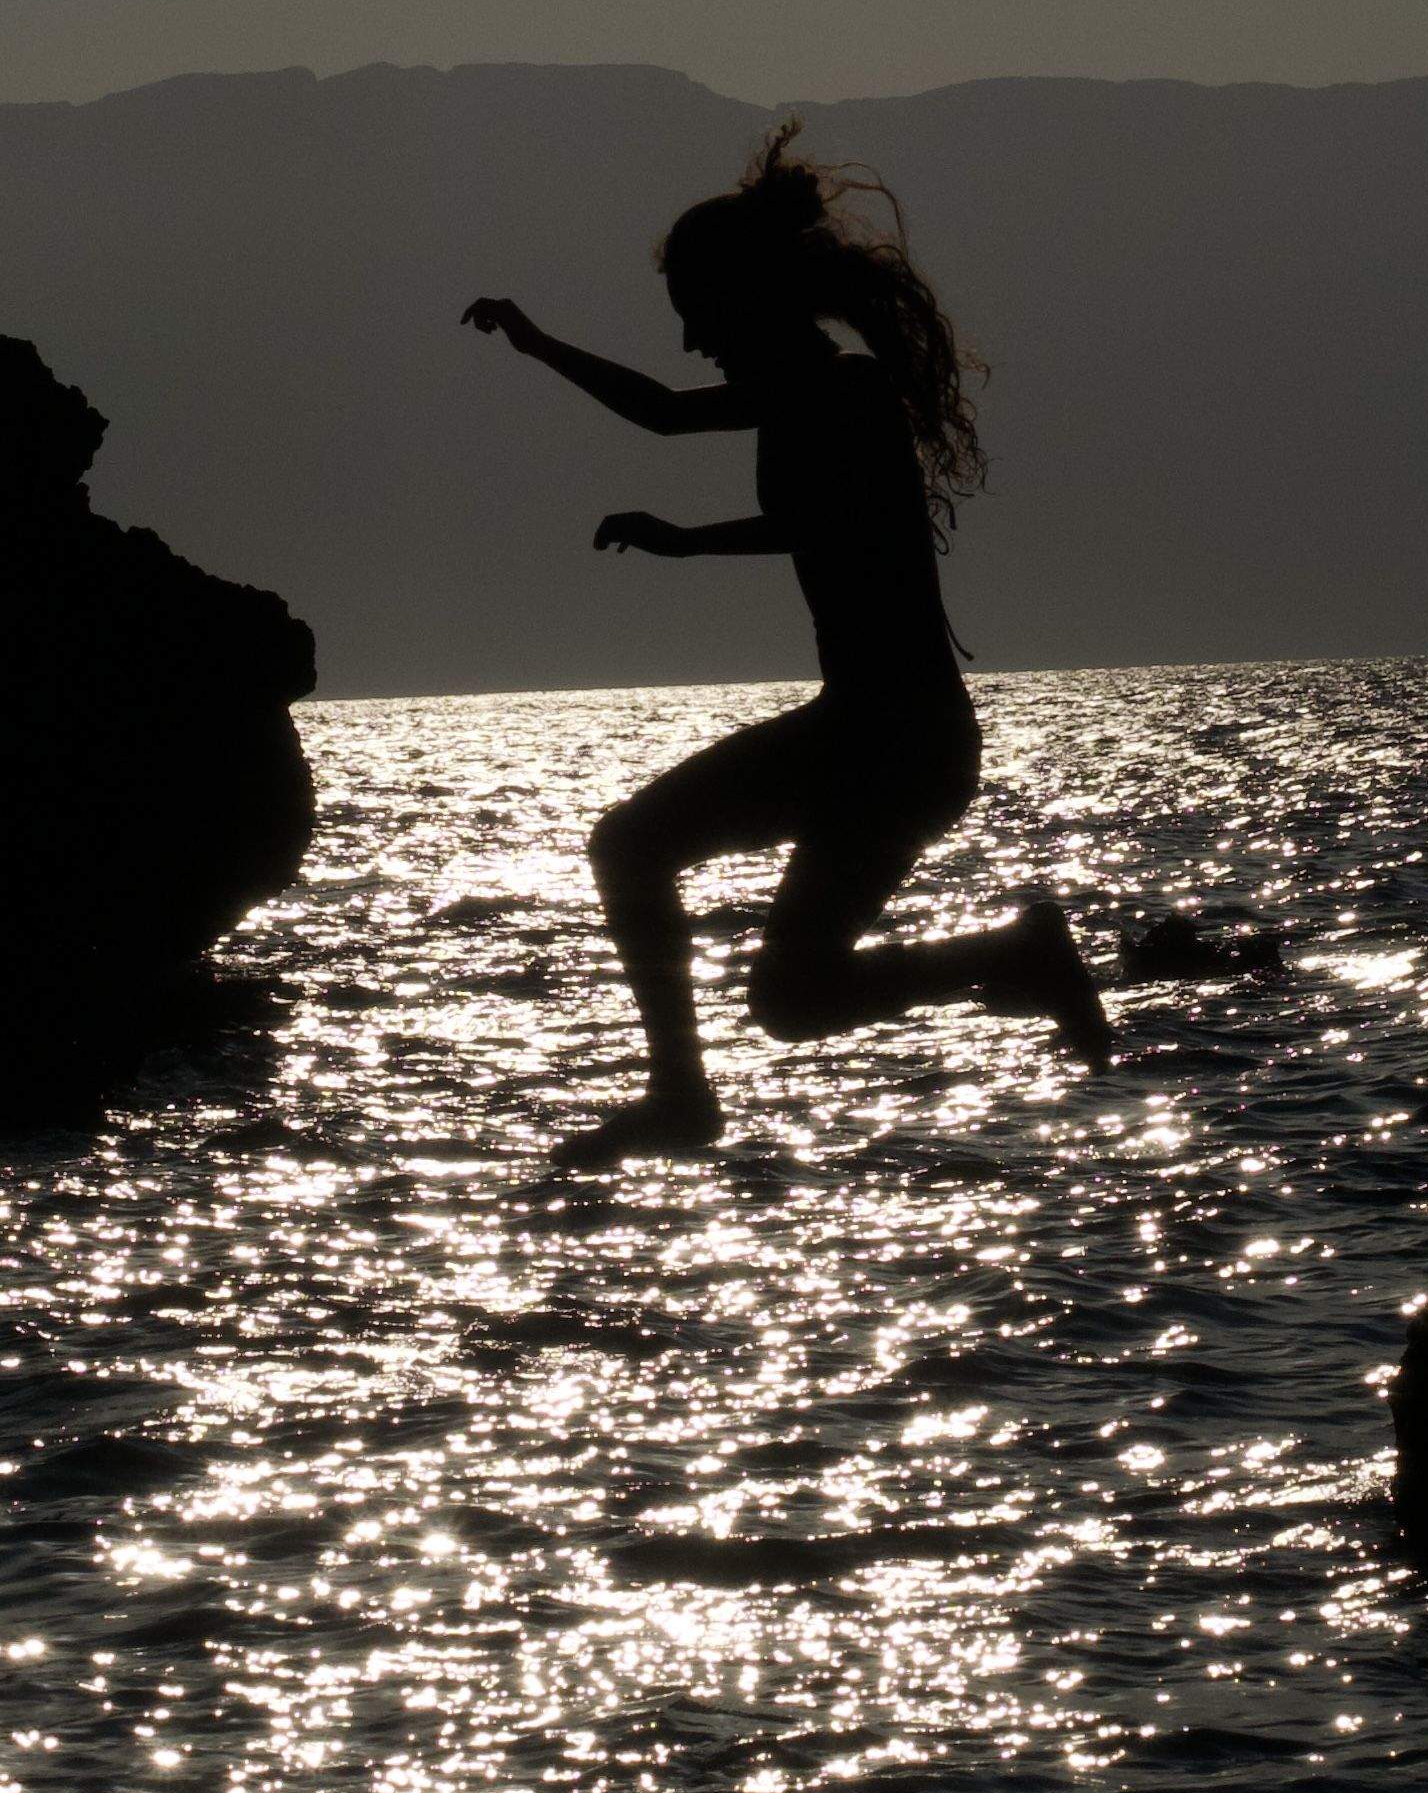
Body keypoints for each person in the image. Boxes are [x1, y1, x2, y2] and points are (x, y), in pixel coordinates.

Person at [465, 125, 1112, 1166]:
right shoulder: (804, 395)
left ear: (748, 299)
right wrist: (539, 347)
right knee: (793, 1002)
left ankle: (681, 1099)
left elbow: (833, 525)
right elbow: (668, 414)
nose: (691, 342)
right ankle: (1019, 957)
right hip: (887, 743)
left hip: (893, 741)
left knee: (631, 847)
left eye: (697, 317)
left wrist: (687, 541)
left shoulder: (845, 397)